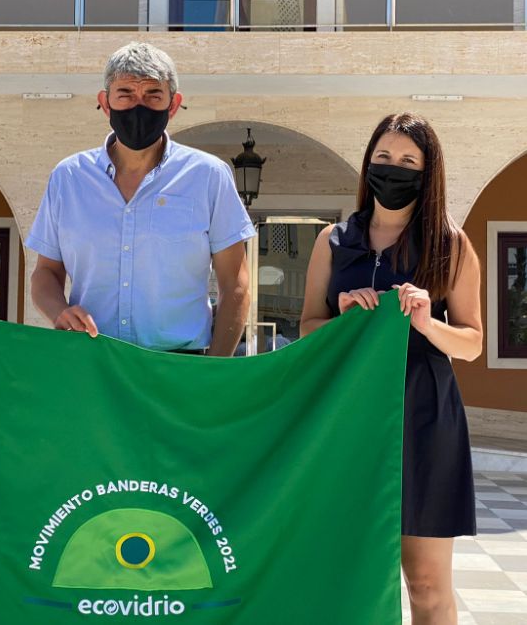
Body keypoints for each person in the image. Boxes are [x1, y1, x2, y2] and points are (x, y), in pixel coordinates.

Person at [300, 112, 482, 624]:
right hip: (346, 417)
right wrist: (342, 319)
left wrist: (426, 323)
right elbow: (308, 328)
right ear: (367, 163)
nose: (393, 168)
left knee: (425, 584)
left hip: (423, 415)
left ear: (429, 173)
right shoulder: (333, 241)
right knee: (348, 572)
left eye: (408, 161)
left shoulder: (451, 245)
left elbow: (471, 343)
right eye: (384, 158)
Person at [27, 42, 254, 355]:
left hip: (178, 366)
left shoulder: (208, 177)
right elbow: (45, 273)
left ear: (173, 105)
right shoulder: (68, 178)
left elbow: (236, 285)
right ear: (105, 103)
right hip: (92, 360)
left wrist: (213, 373)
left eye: (153, 95)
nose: (139, 106)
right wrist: (59, 312)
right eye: (126, 94)